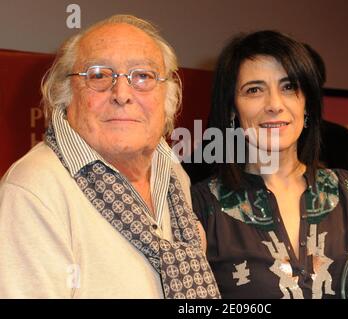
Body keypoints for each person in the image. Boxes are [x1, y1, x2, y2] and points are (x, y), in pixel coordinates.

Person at [190, 30, 348, 299]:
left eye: (289, 87)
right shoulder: (200, 205)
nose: (274, 104)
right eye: (254, 90)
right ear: (233, 109)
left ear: (307, 105)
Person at [0, 15, 220, 299]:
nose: (122, 94)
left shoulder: (173, 173)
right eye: (99, 75)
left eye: (143, 76)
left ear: (168, 96)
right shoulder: (34, 190)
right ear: (65, 95)